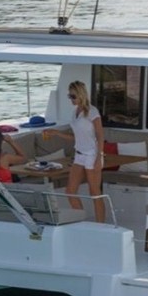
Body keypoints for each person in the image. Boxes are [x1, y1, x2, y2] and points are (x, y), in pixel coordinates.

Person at [43, 80, 106, 223]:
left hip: (92, 155)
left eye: (73, 96)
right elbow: (76, 136)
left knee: (95, 193)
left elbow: (100, 135)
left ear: (81, 95)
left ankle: (101, 226)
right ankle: (82, 222)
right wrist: (57, 133)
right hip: (79, 155)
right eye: (69, 96)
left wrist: (99, 157)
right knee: (70, 191)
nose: (71, 99)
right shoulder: (75, 112)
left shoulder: (92, 112)